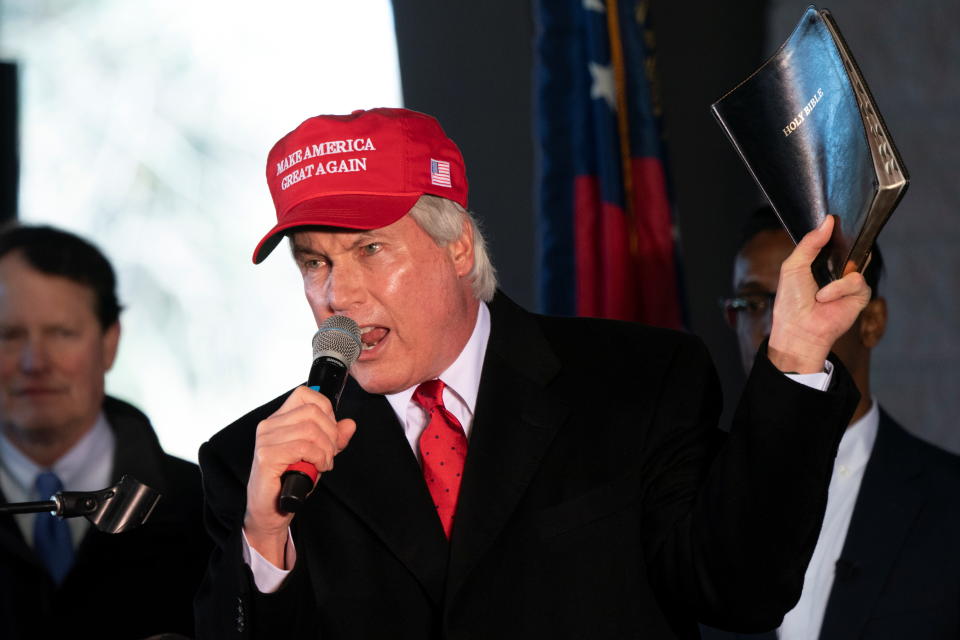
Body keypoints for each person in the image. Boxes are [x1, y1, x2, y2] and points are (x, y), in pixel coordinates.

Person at [195, 108, 869, 639]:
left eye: (370, 249)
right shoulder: (253, 465)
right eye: (314, 262)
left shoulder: (639, 377)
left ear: (457, 246)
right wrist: (263, 535)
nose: (336, 294)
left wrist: (792, 362)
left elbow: (740, 590)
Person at [702, 207, 960, 639]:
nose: (775, 326)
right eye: (751, 303)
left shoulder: (950, 502)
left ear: (871, 321)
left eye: (805, 296)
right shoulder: (690, 489)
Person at [0, 225, 211, 640]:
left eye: (62, 333)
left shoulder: (209, 507)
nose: (34, 362)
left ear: (110, 342)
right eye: (8, 335)